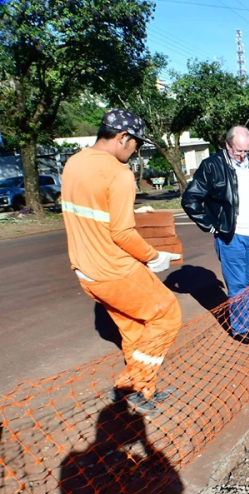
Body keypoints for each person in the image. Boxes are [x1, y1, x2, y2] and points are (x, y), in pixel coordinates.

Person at [61, 109, 182, 414]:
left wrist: (128, 214)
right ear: (122, 137)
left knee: (134, 330)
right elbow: (122, 233)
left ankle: (143, 389)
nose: (136, 151)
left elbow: (93, 212)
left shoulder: (74, 163)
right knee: (167, 315)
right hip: (115, 271)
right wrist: (155, 257)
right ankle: (133, 385)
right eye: (136, 144)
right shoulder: (118, 173)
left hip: (87, 272)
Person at [182, 125, 249, 345]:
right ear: (227, 145)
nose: (243, 156)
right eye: (238, 151)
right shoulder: (212, 166)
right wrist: (210, 226)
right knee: (236, 285)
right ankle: (241, 328)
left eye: (246, 151)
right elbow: (190, 199)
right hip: (230, 235)